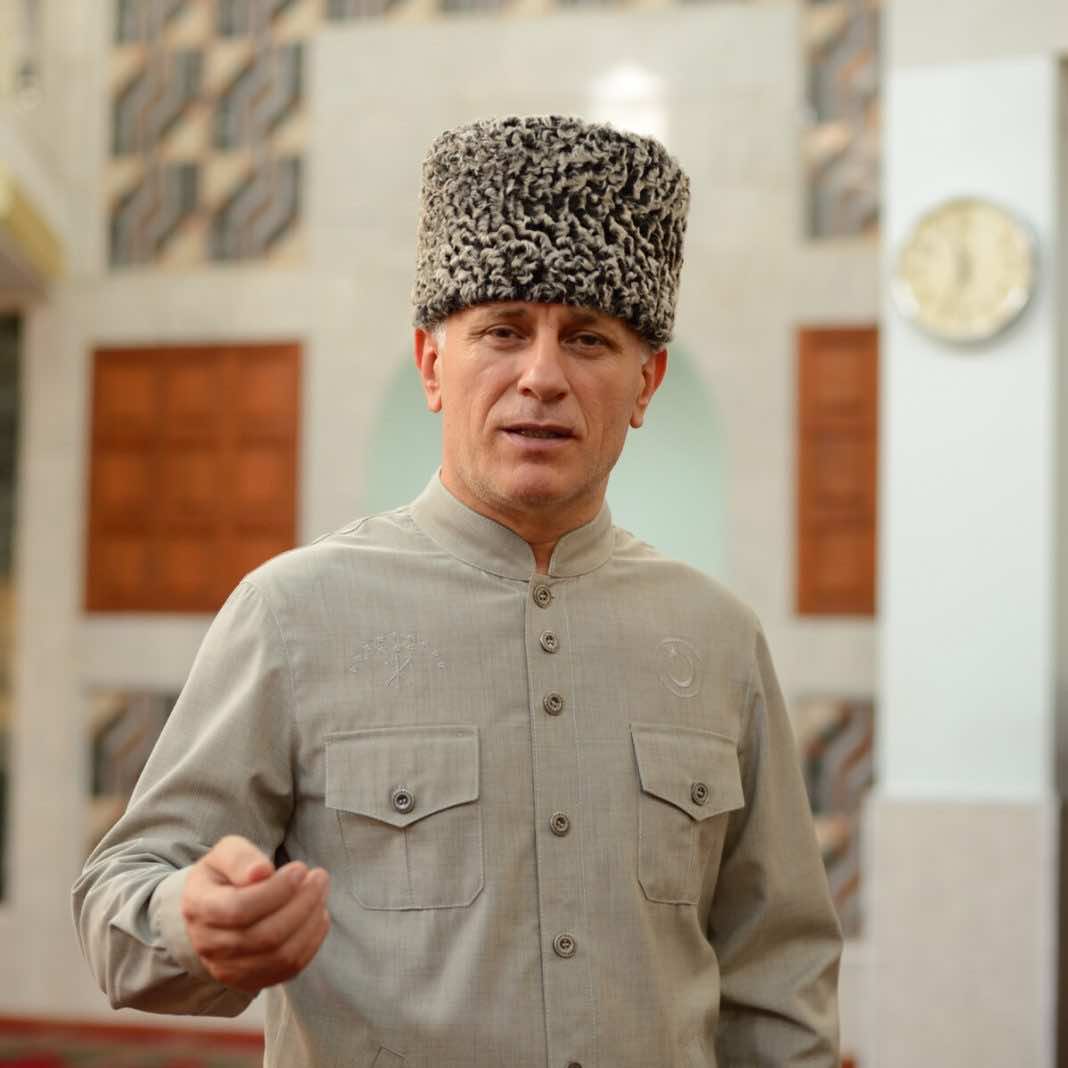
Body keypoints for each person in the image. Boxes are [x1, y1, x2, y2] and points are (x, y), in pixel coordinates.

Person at [73, 115, 841, 1067]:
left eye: (588, 340)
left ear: (647, 384)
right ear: (434, 365)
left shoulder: (717, 638)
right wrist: (191, 919)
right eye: (503, 331)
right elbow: (119, 899)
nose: (542, 378)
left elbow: (779, 973)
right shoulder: (294, 614)